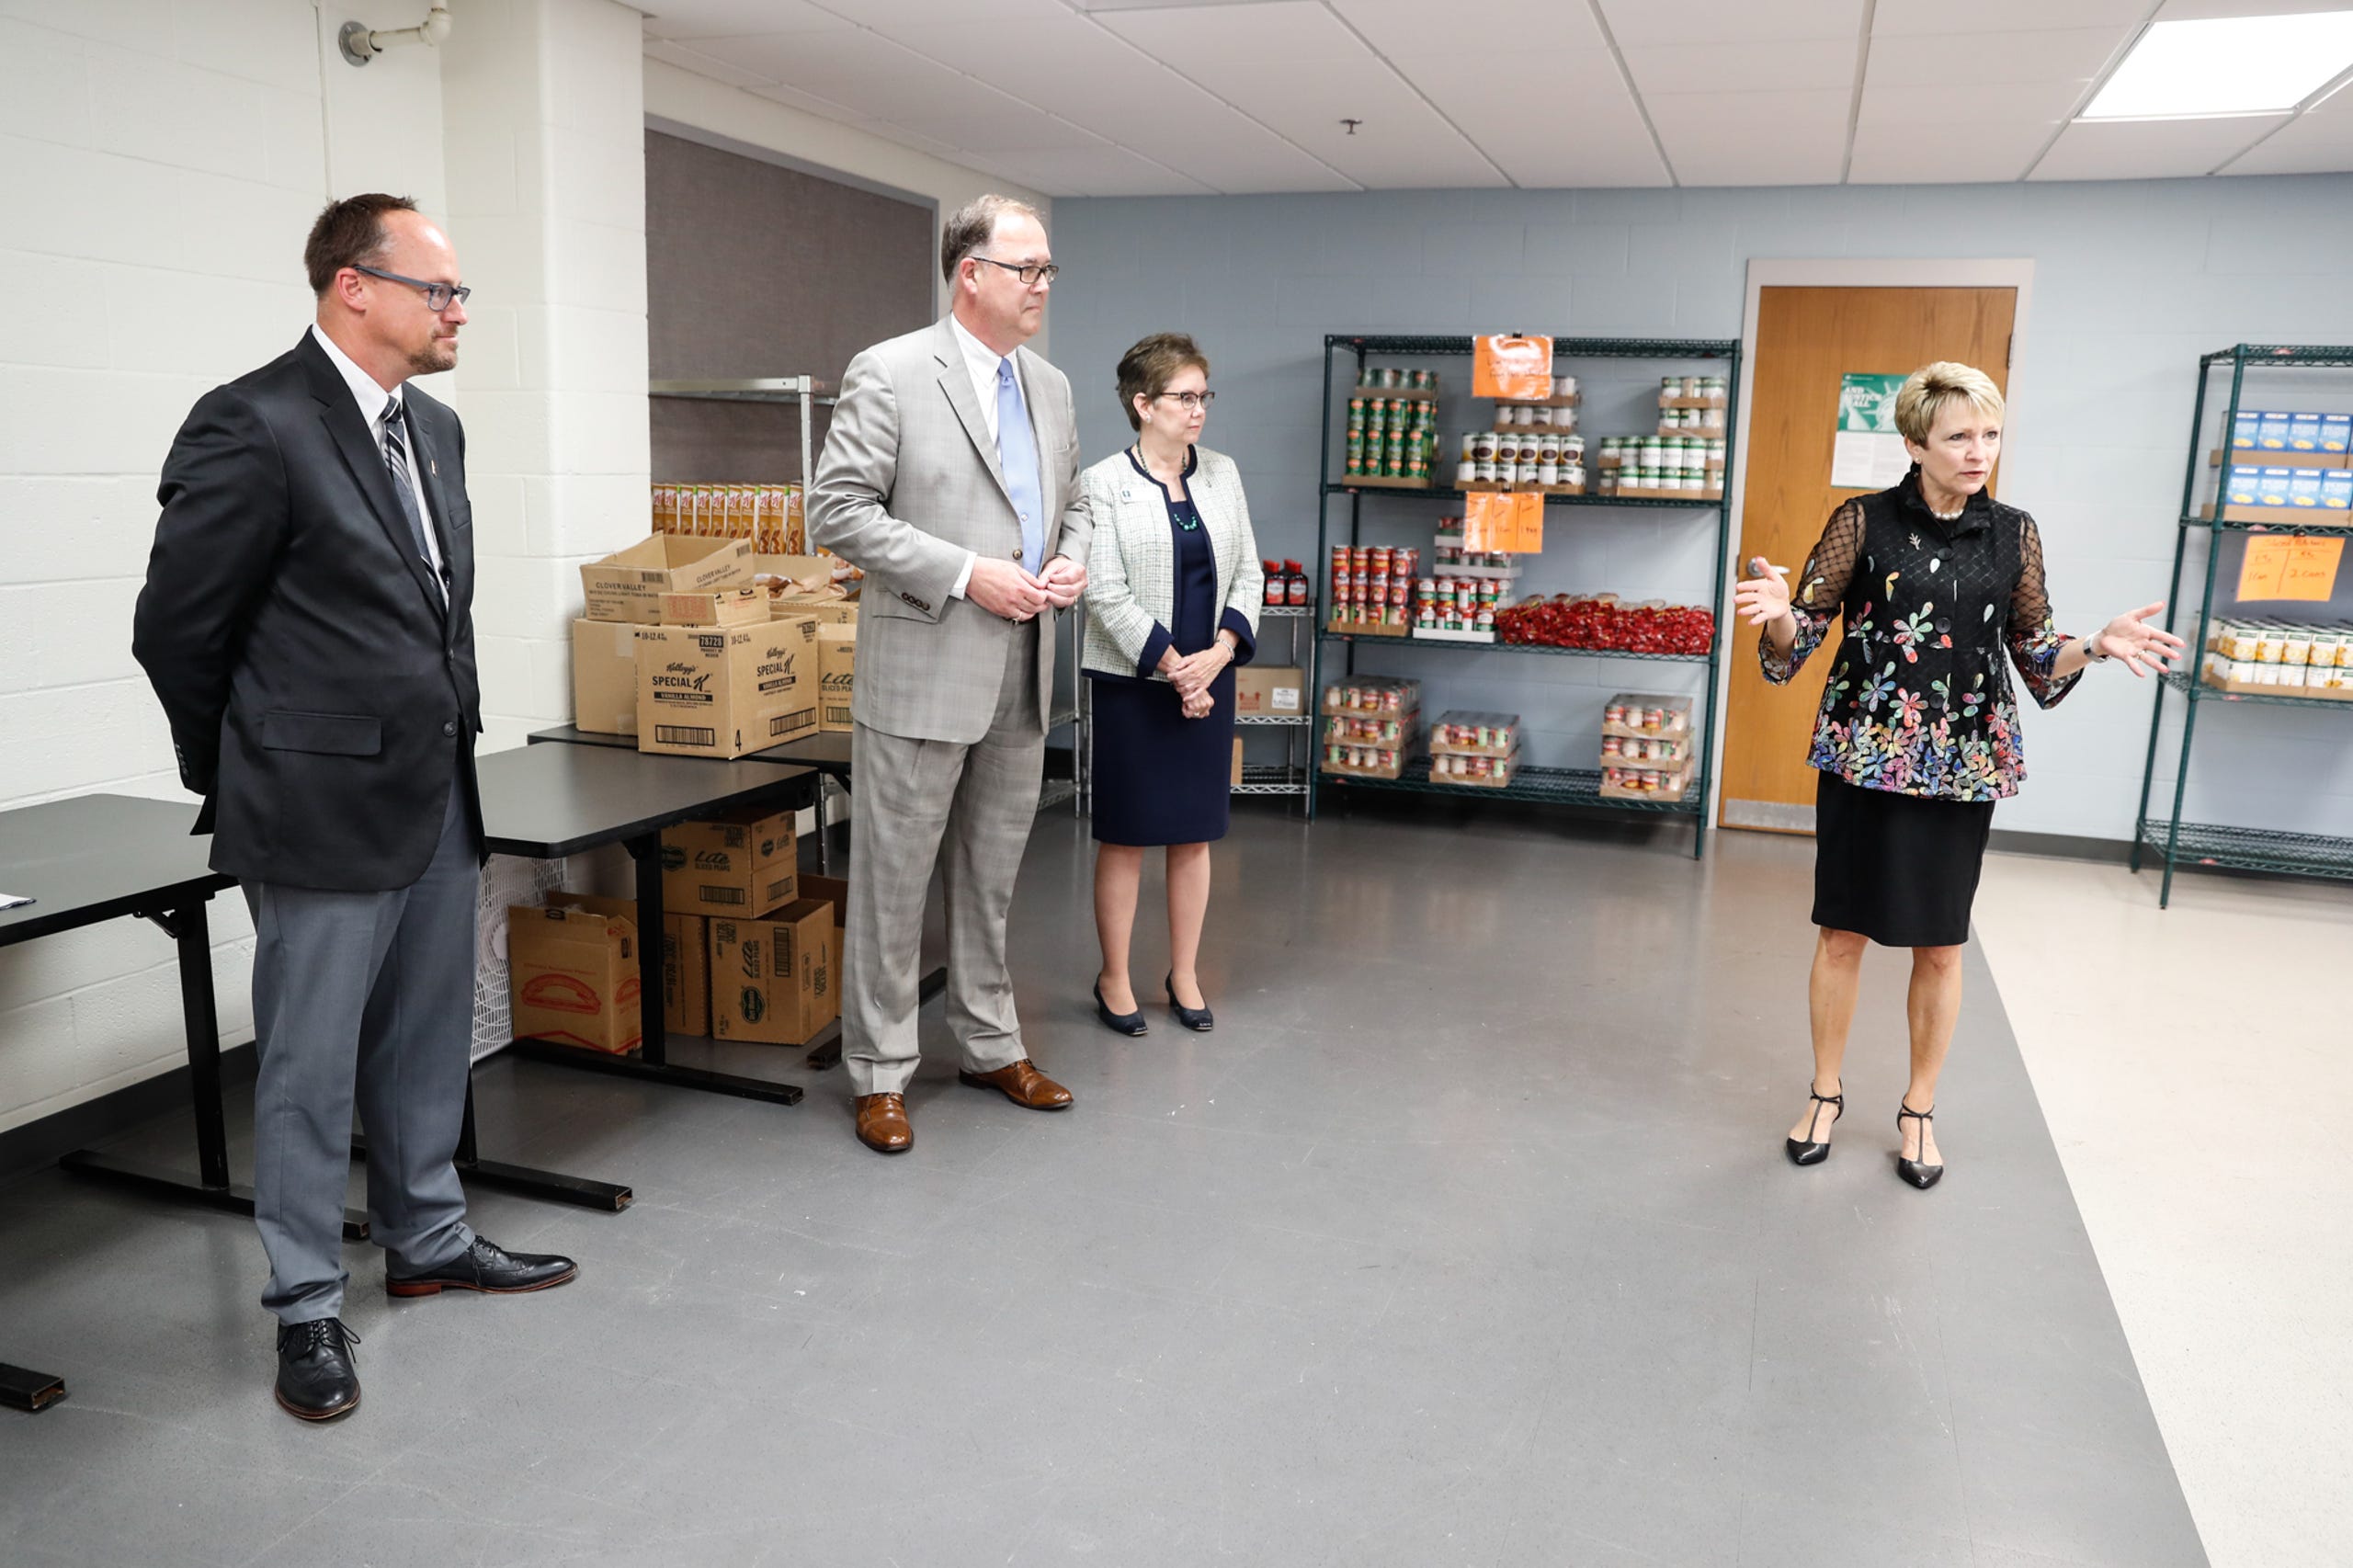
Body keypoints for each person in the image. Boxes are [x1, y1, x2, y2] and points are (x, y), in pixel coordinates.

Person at [131, 195, 574, 1423]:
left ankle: (429, 1234)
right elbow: (177, 628)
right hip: (313, 800)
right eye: (441, 290)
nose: (458, 312)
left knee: (430, 1031)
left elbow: (434, 611)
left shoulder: (432, 427)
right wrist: (241, 765)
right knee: (311, 1063)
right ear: (354, 288)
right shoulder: (254, 420)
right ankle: (306, 1300)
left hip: (434, 786)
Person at [1734, 361, 2182, 1189]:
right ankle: (1825, 1094)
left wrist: (2098, 642)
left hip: (1962, 763)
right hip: (1867, 754)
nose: (1979, 452)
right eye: (1959, 436)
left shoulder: (2014, 532)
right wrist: (1773, 623)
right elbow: (1802, 631)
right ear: (1915, 442)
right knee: (1842, 933)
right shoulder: (1862, 521)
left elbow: (2038, 653)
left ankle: (1917, 1110)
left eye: (1990, 434)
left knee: (1940, 945)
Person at [808, 194, 1091, 1155]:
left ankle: (987, 1042)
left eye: (1048, 270)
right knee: (891, 882)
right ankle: (880, 1072)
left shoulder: (1049, 386)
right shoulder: (888, 372)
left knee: (990, 879)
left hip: (1022, 669)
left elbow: (1076, 499)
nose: (1043, 285)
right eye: (1028, 269)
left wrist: (1071, 557)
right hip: (924, 664)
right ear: (970, 273)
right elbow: (838, 511)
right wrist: (969, 572)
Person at [1078, 335, 1262, 1035]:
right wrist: (1173, 666)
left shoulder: (1222, 473)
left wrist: (1216, 654)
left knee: (1193, 836)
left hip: (1210, 681)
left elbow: (1249, 571)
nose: (1199, 410)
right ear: (1142, 404)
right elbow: (1106, 591)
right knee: (1126, 837)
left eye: (1202, 395)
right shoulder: (1102, 483)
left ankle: (1184, 972)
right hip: (1134, 684)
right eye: (1184, 397)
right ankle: (1114, 976)